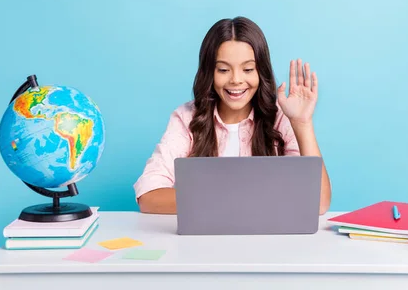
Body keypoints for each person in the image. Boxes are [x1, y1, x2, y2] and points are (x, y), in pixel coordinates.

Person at [134, 16, 332, 215]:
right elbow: (149, 195)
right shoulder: (186, 118)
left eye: (247, 69)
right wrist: (236, 201)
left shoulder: (281, 119)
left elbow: (319, 204)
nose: (236, 80)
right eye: (223, 70)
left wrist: (302, 123)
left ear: (260, 72)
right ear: (209, 73)